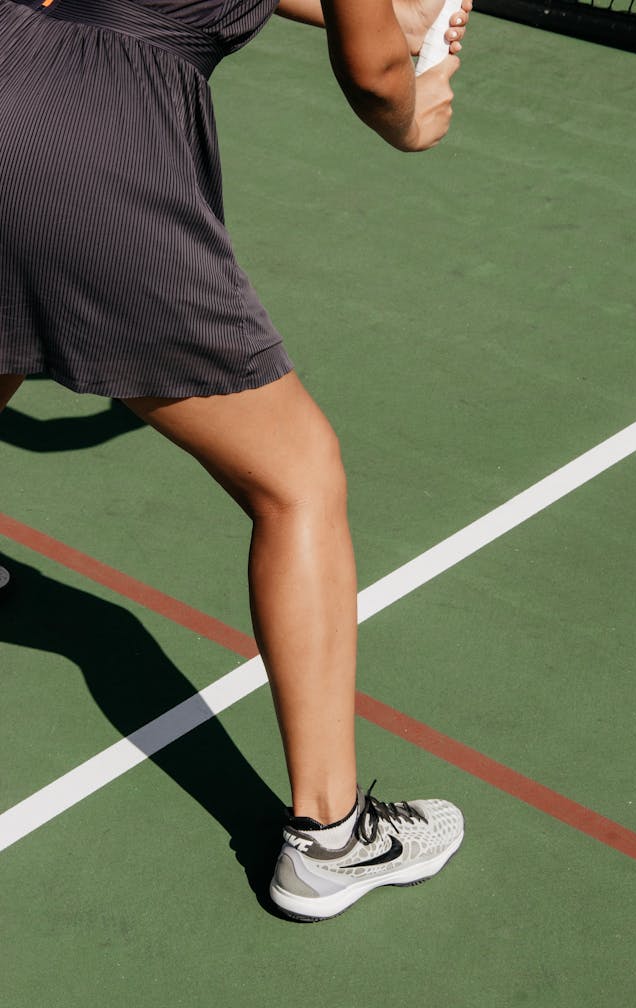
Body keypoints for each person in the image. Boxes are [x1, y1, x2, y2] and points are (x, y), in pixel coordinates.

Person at [0, 0, 470, 921]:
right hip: (95, 147)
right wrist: (412, 109)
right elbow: (375, 78)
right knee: (298, 481)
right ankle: (333, 839)